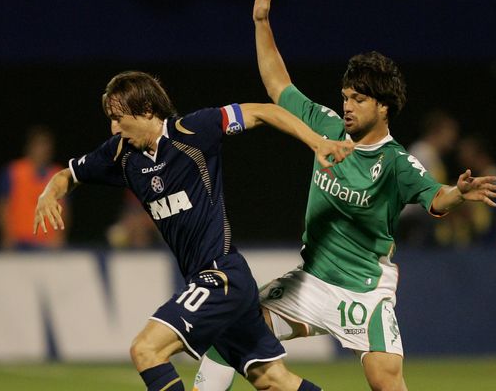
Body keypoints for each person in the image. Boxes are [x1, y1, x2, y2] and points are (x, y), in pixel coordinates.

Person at [193, 0, 496, 391]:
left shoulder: (396, 163)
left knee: (384, 380)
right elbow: (278, 84)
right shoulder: (327, 128)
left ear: (384, 107)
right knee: (231, 332)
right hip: (312, 281)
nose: (348, 105)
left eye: (358, 99)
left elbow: (436, 198)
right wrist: (261, 23)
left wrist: (459, 194)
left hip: (365, 293)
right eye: (345, 97)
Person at [33, 71, 352, 391]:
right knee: (272, 379)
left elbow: (264, 111)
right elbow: (69, 174)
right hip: (222, 284)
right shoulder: (120, 154)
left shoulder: (194, 131)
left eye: (118, 118)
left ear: (146, 110)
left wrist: (316, 142)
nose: (113, 128)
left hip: (221, 276)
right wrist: (49, 193)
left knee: (146, 350)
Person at [0, 126, 67, 250]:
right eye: (39, 145)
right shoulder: (13, 171)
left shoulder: (58, 174)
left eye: (46, 146)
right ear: (29, 147)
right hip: (18, 241)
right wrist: (7, 235)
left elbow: (64, 209)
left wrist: (59, 236)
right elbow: (2, 206)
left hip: (47, 244)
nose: (43, 150)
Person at [398, 110, 459, 247]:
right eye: (450, 131)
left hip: (419, 220)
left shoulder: (432, 155)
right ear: (437, 130)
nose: (453, 137)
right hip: (409, 222)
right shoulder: (422, 152)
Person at [455, 134, 496, 249]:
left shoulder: (495, 177)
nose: (461, 157)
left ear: (479, 154)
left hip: (495, 249)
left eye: (465, 153)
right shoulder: (478, 180)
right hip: (481, 248)